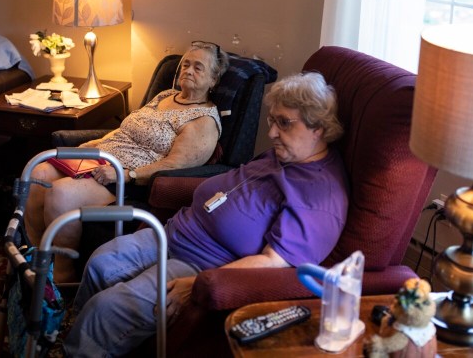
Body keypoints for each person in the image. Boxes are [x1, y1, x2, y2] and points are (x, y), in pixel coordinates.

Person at [62, 71, 350, 356]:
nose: (272, 133)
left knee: (106, 311)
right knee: (101, 262)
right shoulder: (283, 154)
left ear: (319, 128)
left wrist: (201, 284)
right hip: (174, 233)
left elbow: (274, 264)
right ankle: (83, 340)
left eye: (284, 123)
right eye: (272, 120)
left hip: (203, 263)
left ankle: (80, 348)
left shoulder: (319, 198)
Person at [24, 41, 230, 282]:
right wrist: (93, 145)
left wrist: (128, 173)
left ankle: (62, 275)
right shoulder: (165, 95)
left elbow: (175, 165)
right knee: (39, 173)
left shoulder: (203, 121)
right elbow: (125, 131)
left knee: (60, 194)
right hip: (101, 159)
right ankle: (37, 260)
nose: (188, 70)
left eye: (198, 67)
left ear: (213, 80)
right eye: (185, 64)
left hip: (128, 180)